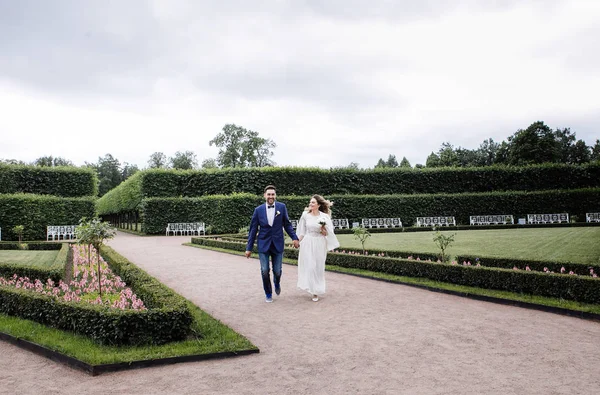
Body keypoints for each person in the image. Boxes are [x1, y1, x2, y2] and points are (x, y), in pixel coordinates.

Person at [246, 185, 299, 303]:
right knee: (264, 270)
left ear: (275, 195)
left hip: (278, 243)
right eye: (269, 194)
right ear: (264, 195)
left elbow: (287, 225)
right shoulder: (258, 210)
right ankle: (268, 293)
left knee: (277, 271)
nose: (271, 196)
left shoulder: (282, 207)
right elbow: (253, 230)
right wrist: (248, 248)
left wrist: (294, 238)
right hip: (263, 244)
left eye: (273, 194)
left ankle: (277, 282)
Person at [296, 194, 340, 302]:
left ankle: (316, 289)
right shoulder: (305, 215)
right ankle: (313, 291)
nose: (310, 204)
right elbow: (302, 231)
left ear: (319, 205)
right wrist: (297, 241)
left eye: (313, 202)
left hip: (319, 243)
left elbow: (327, 234)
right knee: (310, 266)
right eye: (310, 202)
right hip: (307, 242)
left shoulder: (324, 217)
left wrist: (323, 229)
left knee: (318, 267)